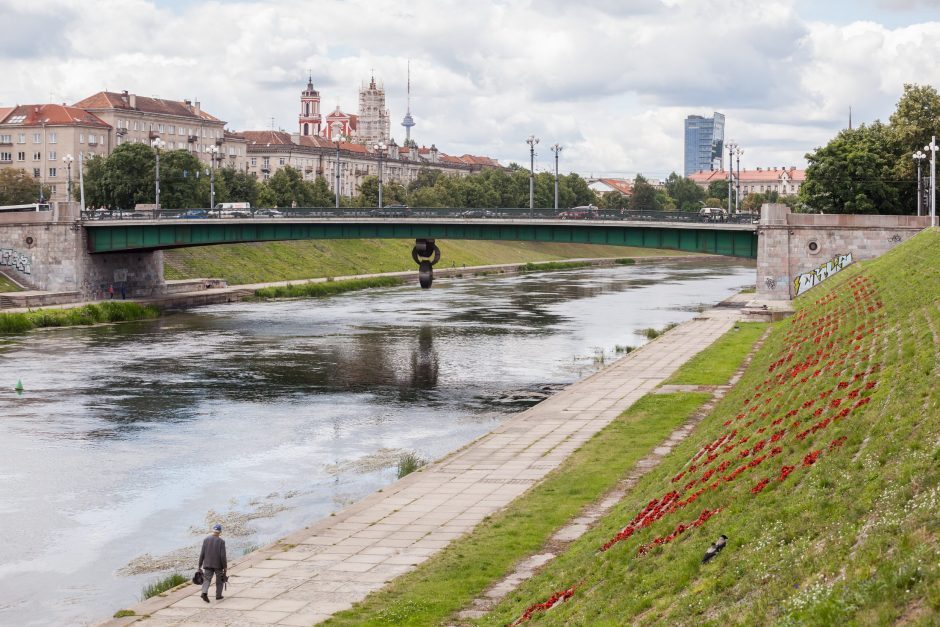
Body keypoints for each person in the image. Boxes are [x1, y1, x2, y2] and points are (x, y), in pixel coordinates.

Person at [197, 523, 227, 602]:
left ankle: (204, 592)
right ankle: (218, 595)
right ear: (220, 532)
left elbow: (202, 553)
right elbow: (223, 556)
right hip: (218, 565)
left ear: (213, 531)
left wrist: (199, 565)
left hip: (207, 564)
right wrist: (225, 567)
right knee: (219, 580)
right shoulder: (221, 542)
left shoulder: (206, 540)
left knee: (207, 579)